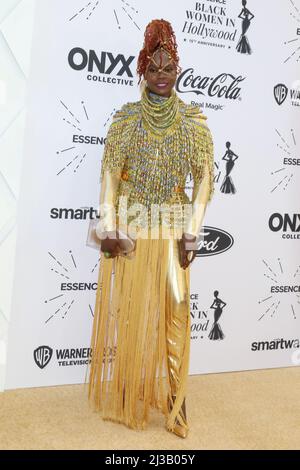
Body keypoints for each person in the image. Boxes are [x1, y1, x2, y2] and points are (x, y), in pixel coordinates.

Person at [85, 18, 215, 439]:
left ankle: (177, 405)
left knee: (176, 313)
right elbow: (109, 177)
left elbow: (205, 181)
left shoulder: (194, 124)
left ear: (178, 69)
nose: (162, 75)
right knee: (133, 311)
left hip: (175, 230)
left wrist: (193, 232)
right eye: (154, 67)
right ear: (142, 70)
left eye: (169, 67)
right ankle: (131, 391)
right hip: (136, 228)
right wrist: (108, 229)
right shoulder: (124, 121)